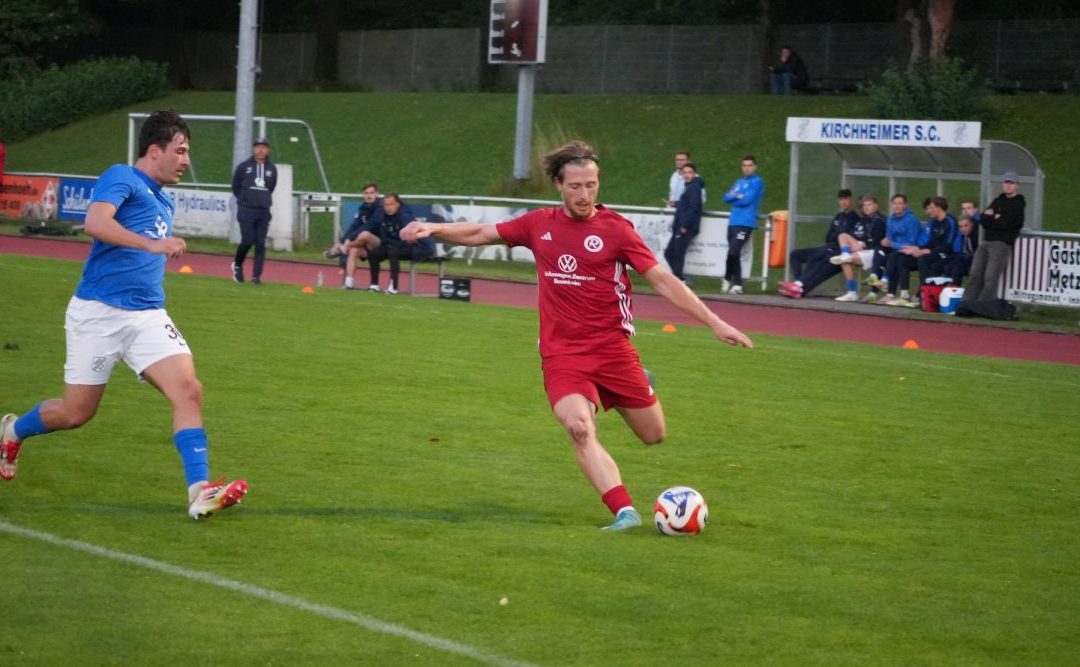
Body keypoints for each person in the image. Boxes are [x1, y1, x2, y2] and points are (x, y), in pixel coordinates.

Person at [399, 140, 752, 531]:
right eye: (575, 186)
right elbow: (481, 232)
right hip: (562, 354)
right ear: (558, 185)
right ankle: (624, 511)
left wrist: (715, 322)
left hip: (612, 350)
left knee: (653, 435)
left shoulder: (617, 230)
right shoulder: (539, 224)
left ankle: (640, 383)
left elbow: (662, 280)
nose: (584, 194)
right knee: (579, 428)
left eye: (591, 185)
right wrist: (434, 228)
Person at [0, 110, 248, 520]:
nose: (186, 160)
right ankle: (13, 429)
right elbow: (96, 223)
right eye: (180, 151)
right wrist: (152, 245)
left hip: (147, 315)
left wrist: (152, 249)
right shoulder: (122, 177)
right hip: (98, 315)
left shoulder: (163, 199)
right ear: (154, 150)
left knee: (189, 390)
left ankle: (200, 491)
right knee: (76, 413)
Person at [777, 189, 857, 299]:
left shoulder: (855, 218)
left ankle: (800, 286)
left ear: (851, 200)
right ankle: (799, 284)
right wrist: (837, 235)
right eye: (841, 199)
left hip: (838, 251)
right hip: (828, 247)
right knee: (795, 254)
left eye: (846, 199)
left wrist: (837, 236)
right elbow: (828, 237)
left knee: (816, 259)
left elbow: (845, 237)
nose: (843, 202)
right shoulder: (838, 217)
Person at [961, 172, 1025, 304]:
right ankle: (967, 303)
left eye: (1011, 183)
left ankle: (983, 305)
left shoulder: (1018, 203)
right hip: (986, 241)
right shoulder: (997, 200)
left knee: (990, 277)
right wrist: (994, 217)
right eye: (1006, 183)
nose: (1008, 186)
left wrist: (993, 217)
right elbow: (983, 220)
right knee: (975, 273)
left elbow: (1007, 223)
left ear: (1017, 186)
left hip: (1001, 243)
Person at [881, 196, 955, 307]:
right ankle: (904, 295)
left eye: (931, 208)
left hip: (946, 254)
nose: (929, 211)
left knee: (923, 259)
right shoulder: (934, 222)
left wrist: (925, 251)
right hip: (931, 251)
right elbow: (929, 242)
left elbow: (948, 245)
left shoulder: (950, 221)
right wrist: (916, 249)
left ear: (939, 208)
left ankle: (922, 294)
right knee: (902, 259)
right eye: (928, 208)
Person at [231, 137, 278, 285]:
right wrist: (245, 200)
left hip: (263, 211)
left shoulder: (272, 169)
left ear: (268, 150)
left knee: (260, 244)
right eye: (258, 147)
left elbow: (271, 187)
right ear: (253, 149)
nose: (260, 150)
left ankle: (256, 276)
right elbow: (236, 186)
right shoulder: (244, 167)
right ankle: (237, 264)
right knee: (247, 240)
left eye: (264, 147)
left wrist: (262, 199)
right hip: (246, 210)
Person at [365, 192, 430, 294]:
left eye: (391, 204)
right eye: (386, 205)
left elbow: (412, 237)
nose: (388, 208)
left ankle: (393, 287)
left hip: (416, 248)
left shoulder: (405, 216)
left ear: (397, 204)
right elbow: (382, 236)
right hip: (395, 246)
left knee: (392, 251)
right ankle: (374, 285)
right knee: (374, 252)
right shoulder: (383, 217)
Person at [828, 194, 887, 302]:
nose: (866, 207)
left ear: (876, 206)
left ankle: (852, 292)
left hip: (875, 253)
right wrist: (858, 243)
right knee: (842, 237)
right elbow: (855, 235)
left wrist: (863, 244)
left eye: (869, 205)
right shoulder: (864, 220)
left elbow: (877, 242)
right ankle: (852, 292)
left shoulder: (880, 220)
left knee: (846, 260)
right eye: (864, 205)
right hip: (863, 249)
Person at [324, 182, 382, 289]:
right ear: (363, 195)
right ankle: (349, 283)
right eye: (366, 193)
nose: (369, 196)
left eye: (371, 193)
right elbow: (355, 225)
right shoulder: (363, 208)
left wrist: (348, 241)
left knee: (365, 234)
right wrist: (343, 240)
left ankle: (343, 248)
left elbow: (370, 225)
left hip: (380, 243)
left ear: (377, 194)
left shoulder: (381, 207)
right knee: (354, 249)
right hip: (364, 244)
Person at [864, 193, 921, 300]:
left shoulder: (911, 220)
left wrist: (892, 244)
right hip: (895, 249)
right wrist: (885, 242)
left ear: (905, 205)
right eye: (895, 203)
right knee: (879, 249)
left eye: (900, 203)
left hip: (910, 252)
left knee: (894, 256)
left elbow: (912, 243)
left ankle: (886, 284)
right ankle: (874, 277)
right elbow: (889, 238)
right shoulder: (891, 219)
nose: (897, 206)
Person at [721, 155, 764, 295]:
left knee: (734, 251)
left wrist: (735, 198)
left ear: (755, 167)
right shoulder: (738, 182)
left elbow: (747, 200)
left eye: (750, 165)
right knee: (731, 252)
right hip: (733, 222)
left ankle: (737, 284)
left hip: (745, 224)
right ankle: (728, 279)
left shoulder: (757, 182)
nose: (747, 168)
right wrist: (737, 196)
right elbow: (726, 197)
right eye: (745, 165)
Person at [663, 162, 704, 282]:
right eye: (685, 173)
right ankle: (680, 278)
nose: (687, 175)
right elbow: (687, 204)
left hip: (685, 227)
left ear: (694, 174)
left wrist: (684, 225)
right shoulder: (689, 186)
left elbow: (693, 207)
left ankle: (680, 280)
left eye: (689, 172)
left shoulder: (694, 187)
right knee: (670, 253)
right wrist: (676, 203)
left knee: (676, 254)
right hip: (680, 225)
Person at [947, 213, 980, 286]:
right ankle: (949, 286)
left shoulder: (977, 235)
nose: (963, 229)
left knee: (958, 266)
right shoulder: (964, 235)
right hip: (966, 260)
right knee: (949, 264)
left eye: (966, 226)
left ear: (972, 225)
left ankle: (954, 287)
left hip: (976, 261)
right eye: (961, 227)